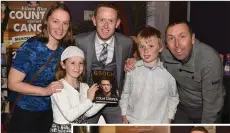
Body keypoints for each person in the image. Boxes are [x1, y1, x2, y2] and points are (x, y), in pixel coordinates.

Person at [125, 20, 225, 123]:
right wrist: (134, 61)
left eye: (182, 36)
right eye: (171, 38)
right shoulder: (165, 53)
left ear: (192, 38)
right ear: (166, 43)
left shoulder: (209, 60)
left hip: (206, 107)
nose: (177, 45)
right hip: (182, 107)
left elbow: (212, 106)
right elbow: (149, 54)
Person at [7, 2, 72, 133]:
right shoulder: (31, 47)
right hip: (25, 114)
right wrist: (45, 91)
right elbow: (12, 83)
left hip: (50, 113)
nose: (60, 27)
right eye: (56, 21)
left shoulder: (64, 49)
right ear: (47, 21)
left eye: (65, 23)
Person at [75, 3, 133, 123]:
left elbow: (129, 68)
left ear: (117, 24)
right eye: (102, 20)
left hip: (115, 103)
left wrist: (134, 62)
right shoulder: (80, 42)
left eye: (111, 21)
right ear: (94, 20)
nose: (106, 26)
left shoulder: (126, 43)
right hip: (88, 100)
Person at [119, 26, 179, 124]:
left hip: (159, 123)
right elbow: (125, 94)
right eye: (142, 46)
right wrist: (124, 114)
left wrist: (169, 118)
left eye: (151, 46)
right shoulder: (132, 69)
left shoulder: (168, 72)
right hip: (133, 121)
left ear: (160, 48)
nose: (146, 51)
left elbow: (173, 97)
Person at [50, 46, 105, 133]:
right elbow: (70, 116)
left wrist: (106, 98)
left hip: (80, 129)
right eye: (72, 63)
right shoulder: (58, 86)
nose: (77, 67)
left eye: (81, 63)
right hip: (64, 130)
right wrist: (89, 99)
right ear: (63, 64)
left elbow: (87, 113)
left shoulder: (84, 86)